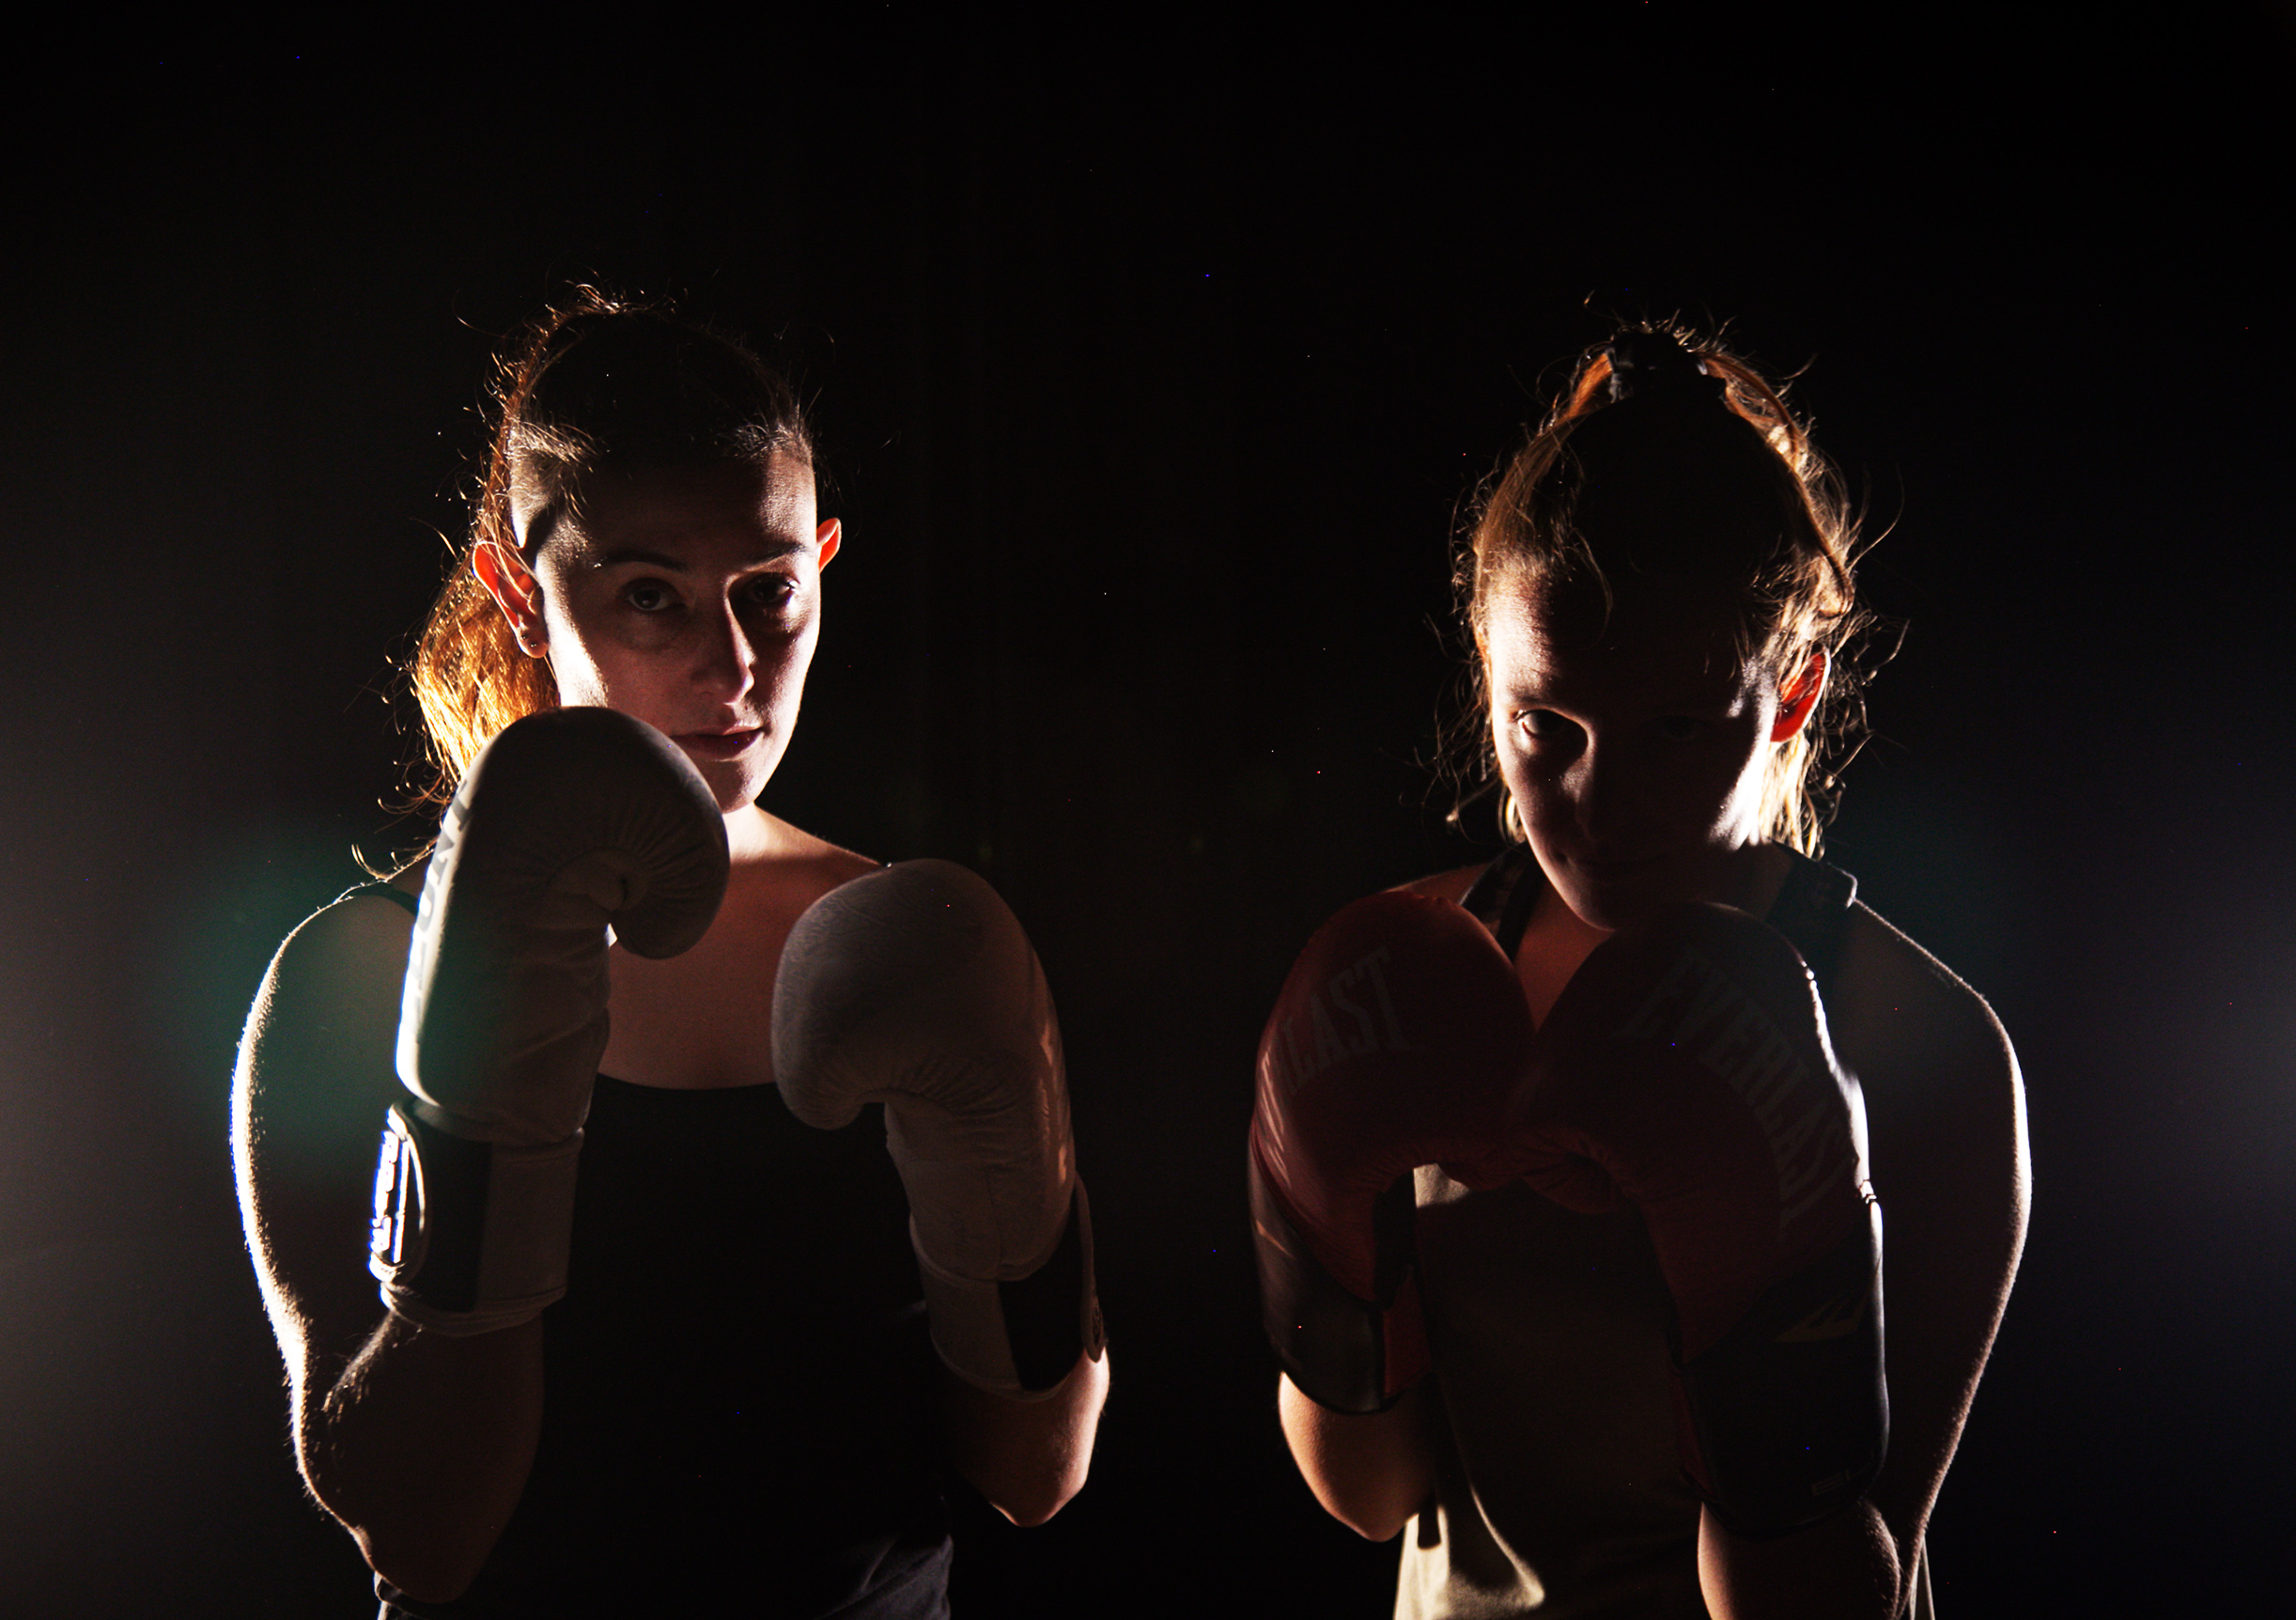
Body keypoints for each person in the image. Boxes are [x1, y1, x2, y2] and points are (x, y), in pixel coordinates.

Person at [232, 291, 1108, 1618]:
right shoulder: (359, 975)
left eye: (772, 593)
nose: (734, 666)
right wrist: (482, 1111)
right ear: (521, 594)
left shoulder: (910, 947)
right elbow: (415, 1531)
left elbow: (1036, 1473)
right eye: (652, 597)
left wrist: (1020, 1213)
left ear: (823, 561)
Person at [1249, 327, 2027, 1618]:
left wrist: (1765, 1282)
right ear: (1487, 684)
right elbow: (1371, 1496)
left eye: (1673, 728)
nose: (1600, 804)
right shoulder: (1407, 976)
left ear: (1791, 695)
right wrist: (1318, 1253)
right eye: (1544, 725)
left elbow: (1833, 1602)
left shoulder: (1921, 1045)